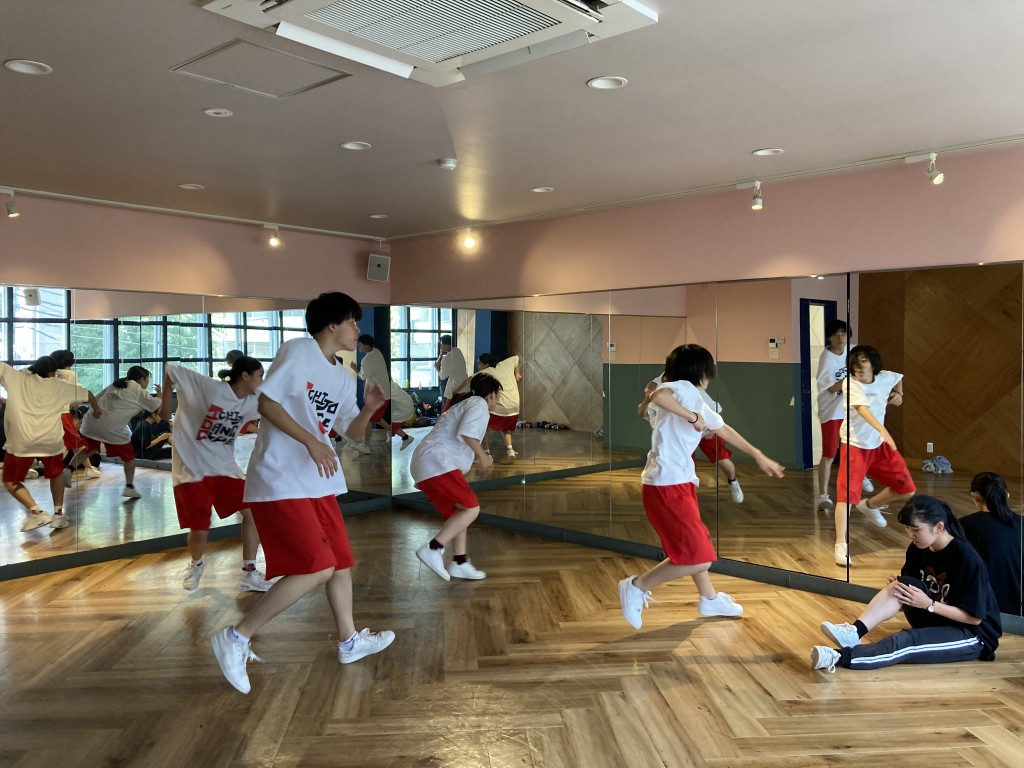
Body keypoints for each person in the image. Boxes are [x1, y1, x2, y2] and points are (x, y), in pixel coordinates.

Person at [211, 292, 394, 695]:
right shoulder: (298, 351)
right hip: (280, 477)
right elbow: (267, 404)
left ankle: (349, 640)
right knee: (317, 567)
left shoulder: (344, 376)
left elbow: (350, 431)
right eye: (352, 322)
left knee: (340, 563)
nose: (357, 330)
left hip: (318, 482)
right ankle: (237, 636)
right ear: (332, 324)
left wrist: (368, 409)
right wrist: (311, 442)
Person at [618, 344, 785, 629]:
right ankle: (636, 586)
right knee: (699, 558)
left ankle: (709, 598)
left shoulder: (694, 397)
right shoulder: (683, 388)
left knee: (695, 546)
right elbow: (659, 395)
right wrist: (694, 418)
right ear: (702, 371)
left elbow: (723, 428)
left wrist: (758, 454)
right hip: (667, 485)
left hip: (678, 482)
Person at [812, 494, 1002, 672]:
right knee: (901, 585)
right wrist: (899, 585)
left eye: (916, 530)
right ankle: (855, 631)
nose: (910, 535)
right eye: (907, 528)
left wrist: (929, 605)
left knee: (907, 641)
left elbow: (975, 618)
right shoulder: (918, 548)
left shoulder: (967, 559)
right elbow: (910, 590)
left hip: (972, 633)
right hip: (936, 617)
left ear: (938, 527)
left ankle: (838, 657)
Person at [162, 356, 271, 593]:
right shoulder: (208, 388)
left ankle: (249, 572)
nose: (262, 381)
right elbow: (170, 369)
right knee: (200, 529)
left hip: (225, 470)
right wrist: (164, 407)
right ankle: (196, 563)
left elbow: (277, 409)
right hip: (193, 472)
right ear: (245, 376)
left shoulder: (252, 402)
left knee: (254, 513)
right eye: (259, 375)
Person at [411, 372, 499, 582]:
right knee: (472, 508)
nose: (498, 401)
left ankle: (460, 562)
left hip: (427, 463)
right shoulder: (479, 404)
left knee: (461, 512)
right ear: (491, 395)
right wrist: (483, 456)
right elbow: (467, 433)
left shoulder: (464, 403)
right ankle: (434, 548)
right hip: (437, 462)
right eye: (498, 396)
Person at [832, 345, 915, 567]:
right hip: (854, 446)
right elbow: (862, 409)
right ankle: (840, 544)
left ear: (873, 363)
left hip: (879, 446)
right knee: (846, 498)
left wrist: (899, 394)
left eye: (863, 361)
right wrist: (883, 430)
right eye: (854, 364)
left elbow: (899, 377)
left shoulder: (885, 378)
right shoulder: (850, 384)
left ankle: (870, 505)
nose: (858, 367)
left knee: (907, 489)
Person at [1, 355, 100, 530]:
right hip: (51, 441)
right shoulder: (59, 386)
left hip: (22, 441)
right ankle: (58, 515)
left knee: (10, 480)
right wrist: (97, 410)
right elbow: (89, 394)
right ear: (51, 372)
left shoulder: (15, 376)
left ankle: (36, 512)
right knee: (56, 474)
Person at [73, 366, 162, 499]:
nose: (147, 383)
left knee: (89, 449)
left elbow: (95, 398)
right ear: (141, 379)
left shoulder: (116, 384)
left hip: (92, 422)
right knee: (129, 458)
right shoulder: (138, 390)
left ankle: (68, 470)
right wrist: (160, 394)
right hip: (111, 427)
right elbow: (156, 405)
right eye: (147, 380)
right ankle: (129, 486)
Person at [962, 472, 1022, 615]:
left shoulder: (965, 525)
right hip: (1019, 609)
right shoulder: (1022, 524)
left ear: (975, 496)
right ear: (1007, 495)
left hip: (983, 609)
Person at [348, 334, 389, 455]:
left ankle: (365, 446)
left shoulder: (367, 360)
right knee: (375, 418)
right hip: (381, 393)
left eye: (360, 345)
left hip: (378, 394)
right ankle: (393, 431)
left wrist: (354, 368)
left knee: (368, 418)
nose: (359, 347)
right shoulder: (377, 352)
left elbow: (362, 376)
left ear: (366, 345)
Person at [478, 352, 521, 459]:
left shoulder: (485, 372)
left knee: (483, 425)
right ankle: (510, 450)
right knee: (506, 428)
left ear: (486, 364)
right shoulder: (505, 364)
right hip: (515, 409)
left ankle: (487, 454)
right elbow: (516, 358)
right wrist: (517, 374)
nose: (478, 366)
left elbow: (469, 380)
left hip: (500, 409)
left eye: (479, 364)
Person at [61, 405, 102, 481]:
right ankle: (89, 469)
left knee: (75, 445)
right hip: (63, 414)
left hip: (56, 415)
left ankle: (89, 469)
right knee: (76, 445)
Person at [434, 334, 468, 411]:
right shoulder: (457, 351)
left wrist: (437, 368)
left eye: (441, 344)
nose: (440, 346)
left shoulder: (447, 358)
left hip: (455, 390)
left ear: (447, 345)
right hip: (465, 387)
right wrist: (440, 355)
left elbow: (442, 376)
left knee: (448, 411)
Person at [389, 381, 415, 450]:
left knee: (383, 420)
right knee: (390, 424)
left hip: (403, 409)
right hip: (405, 406)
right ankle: (406, 438)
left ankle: (390, 434)